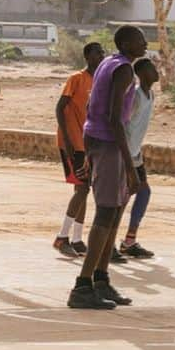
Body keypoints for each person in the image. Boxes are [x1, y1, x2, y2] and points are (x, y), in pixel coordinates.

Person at [66, 25, 147, 309]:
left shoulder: (107, 63)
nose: (145, 44)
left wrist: (89, 147)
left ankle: (100, 279)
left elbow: (91, 105)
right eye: (140, 40)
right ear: (126, 43)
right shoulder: (123, 69)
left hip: (96, 138)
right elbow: (114, 119)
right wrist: (130, 165)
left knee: (112, 212)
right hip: (110, 142)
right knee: (105, 214)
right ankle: (82, 286)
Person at [53, 42, 106, 259]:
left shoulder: (101, 82)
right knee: (82, 189)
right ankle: (62, 237)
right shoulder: (77, 79)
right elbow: (60, 107)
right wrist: (66, 137)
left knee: (83, 190)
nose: (102, 55)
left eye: (103, 52)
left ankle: (76, 238)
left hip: (88, 143)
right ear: (88, 56)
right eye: (98, 52)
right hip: (72, 142)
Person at [117, 57, 159, 259]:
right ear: (142, 73)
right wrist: (123, 152)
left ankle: (129, 240)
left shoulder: (150, 94)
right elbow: (122, 122)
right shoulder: (134, 96)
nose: (156, 71)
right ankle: (108, 244)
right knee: (122, 198)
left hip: (135, 153)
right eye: (152, 68)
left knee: (143, 192)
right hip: (124, 152)